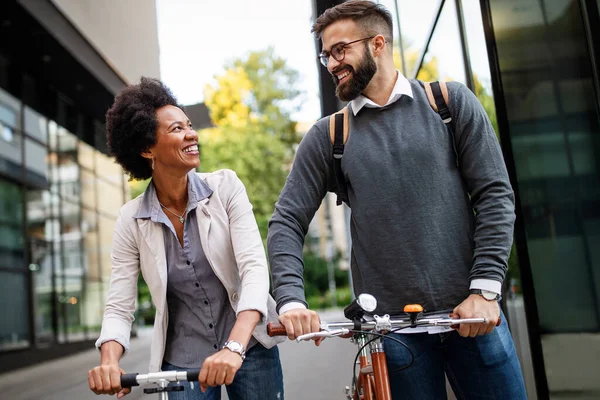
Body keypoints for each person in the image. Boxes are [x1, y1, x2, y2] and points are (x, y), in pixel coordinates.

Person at [267, 1, 527, 398]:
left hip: (473, 317)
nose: (332, 63)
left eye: (340, 50)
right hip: (392, 335)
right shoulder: (329, 136)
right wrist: (290, 302)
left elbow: (495, 194)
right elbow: (286, 221)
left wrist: (485, 291)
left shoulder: (449, 103)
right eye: (325, 55)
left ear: (377, 43)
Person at [88, 77, 285, 400]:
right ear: (147, 148)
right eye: (177, 129)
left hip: (248, 346)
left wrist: (234, 347)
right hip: (183, 358)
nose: (192, 134)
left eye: (189, 125)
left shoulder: (225, 188)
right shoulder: (131, 219)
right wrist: (109, 361)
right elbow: (119, 305)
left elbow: (254, 269)